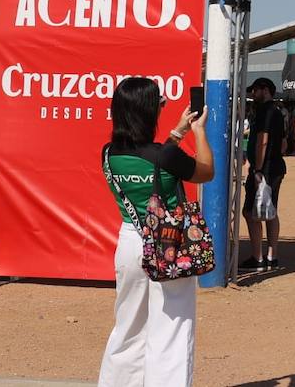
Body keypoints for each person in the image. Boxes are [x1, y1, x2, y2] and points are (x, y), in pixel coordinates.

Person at [98, 76, 213, 387]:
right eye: (160, 103)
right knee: (171, 327)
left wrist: (178, 132)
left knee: (128, 326)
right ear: (149, 112)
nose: (163, 107)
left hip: (130, 242)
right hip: (168, 244)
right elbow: (206, 170)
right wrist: (199, 132)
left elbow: (154, 160)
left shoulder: (109, 153)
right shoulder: (166, 156)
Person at [241, 78, 287, 270]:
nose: (252, 94)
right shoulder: (277, 111)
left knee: (250, 212)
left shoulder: (265, 112)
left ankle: (257, 257)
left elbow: (263, 140)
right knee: (270, 210)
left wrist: (258, 169)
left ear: (265, 90)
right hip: (275, 167)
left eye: (255, 90)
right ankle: (272, 255)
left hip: (265, 169)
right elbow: (283, 142)